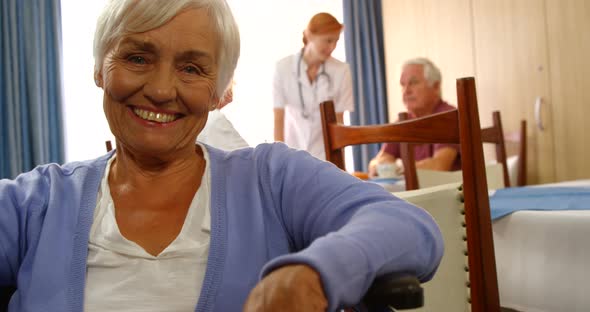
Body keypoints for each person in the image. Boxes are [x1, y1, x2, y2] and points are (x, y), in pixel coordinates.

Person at [0, 1, 443, 311]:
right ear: (100, 68)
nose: (159, 88)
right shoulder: (36, 201)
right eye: (137, 57)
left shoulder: (271, 178)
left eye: (191, 68)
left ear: (218, 94)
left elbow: (410, 227)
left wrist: (315, 272)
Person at [273, 12, 354, 160]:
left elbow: (339, 121)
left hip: (326, 157)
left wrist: (339, 165)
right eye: (328, 41)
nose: (332, 47)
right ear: (309, 35)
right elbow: (279, 118)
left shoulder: (341, 71)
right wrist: (278, 160)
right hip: (292, 155)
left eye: (336, 41)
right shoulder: (283, 68)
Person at [368, 57, 461, 178]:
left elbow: (439, 166)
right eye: (402, 85)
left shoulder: (448, 116)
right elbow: (377, 161)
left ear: (436, 86)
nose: (406, 91)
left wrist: (396, 169)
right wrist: (381, 165)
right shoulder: (403, 122)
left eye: (413, 82)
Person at [197, 81, 249, 150]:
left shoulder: (196, 118)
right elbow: (244, 158)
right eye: (231, 81)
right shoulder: (213, 118)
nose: (234, 84)